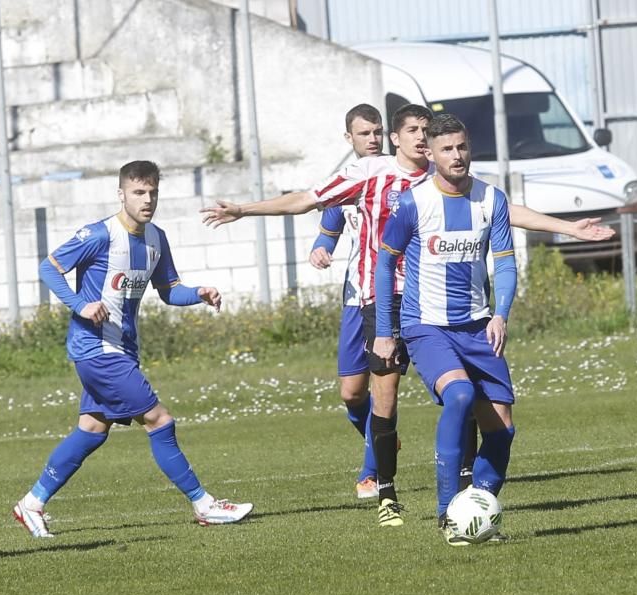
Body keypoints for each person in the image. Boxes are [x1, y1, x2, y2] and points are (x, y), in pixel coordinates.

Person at [201, 103, 613, 528]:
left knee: (465, 398)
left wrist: (566, 227)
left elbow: (503, 214)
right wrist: (245, 209)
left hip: (439, 305)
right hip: (382, 297)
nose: (422, 137)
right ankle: (387, 488)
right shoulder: (370, 173)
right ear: (396, 138)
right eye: (414, 130)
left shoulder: (449, 176)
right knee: (369, 394)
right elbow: (308, 199)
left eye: (426, 130)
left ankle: (463, 488)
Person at [13, 160, 252, 538]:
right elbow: (49, 267)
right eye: (139, 192)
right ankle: (204, 505)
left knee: (92, 429)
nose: (147, 199)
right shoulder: (99, 235)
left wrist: (199, 294)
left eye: (153, 192)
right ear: (121, 193)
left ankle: (32, 503)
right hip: (95, 349)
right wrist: (80, 305)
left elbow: (170, 291)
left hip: (121, 351)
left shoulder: (156, 238)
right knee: (159, 420)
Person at [373, 113, 516, 546]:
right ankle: (446, 511)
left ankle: (475, 511)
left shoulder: (492, 199)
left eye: (462, 146)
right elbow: (384, 264)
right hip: (426, 325)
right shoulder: (412, 203)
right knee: (459, 394)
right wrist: (386, 329)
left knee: (502, 428)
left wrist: (500, 313)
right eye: (447, 149)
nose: (457, 156)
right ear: (430, 154)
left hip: (477, 326)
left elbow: (505, 261)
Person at [308, 103, 384, 499]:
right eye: (365, 133)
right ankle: (382, 435)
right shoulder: (343, 186)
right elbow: (327, 235)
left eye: (377, 132)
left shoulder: (395, 178)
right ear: (349, 138)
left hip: (397, 296)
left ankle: (371, 472)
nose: (373, 139)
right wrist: (319, 251)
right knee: (352, 394)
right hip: (355, 297)